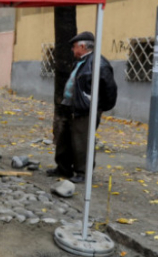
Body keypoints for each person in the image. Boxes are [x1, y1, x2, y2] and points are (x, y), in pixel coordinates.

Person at [47, 31, 118, 183]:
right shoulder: (82, 61)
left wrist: (97, 107)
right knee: (64, 139)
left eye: (74, 47)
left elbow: (110, 89)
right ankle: (63, 168)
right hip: (72, 107)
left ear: (83, 46)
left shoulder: (99, 63)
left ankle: (82, 173)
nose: (72, 50)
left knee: (82, 142)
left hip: (85, 111)